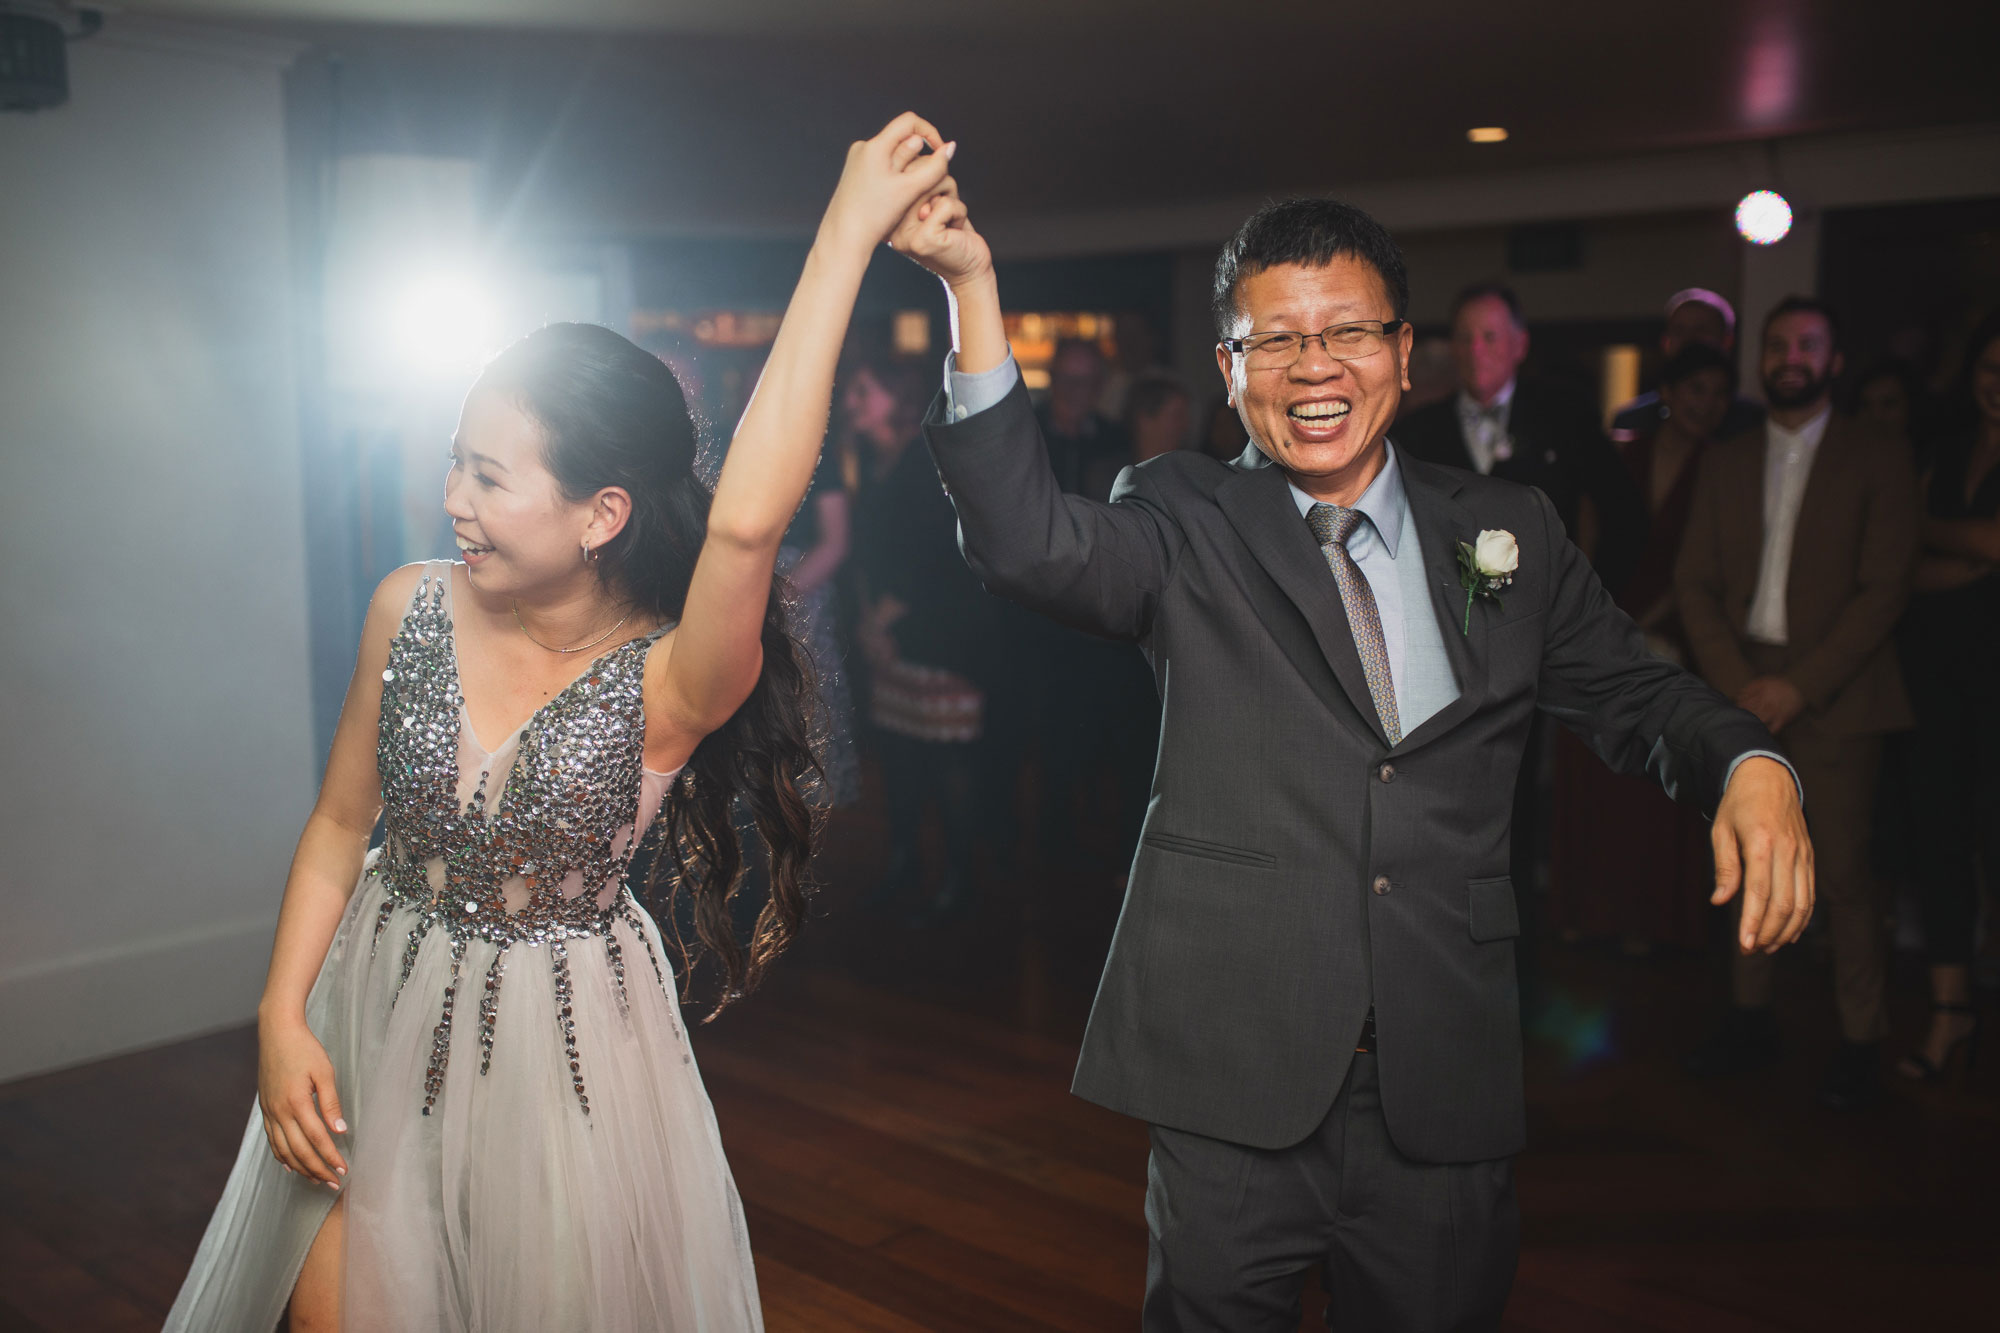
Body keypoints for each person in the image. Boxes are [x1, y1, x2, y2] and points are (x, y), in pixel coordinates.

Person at [898, 185, 1811, 1330]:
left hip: (1440, 1075)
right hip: (1234, 1069)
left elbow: (1633, 690)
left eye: (1344, 333)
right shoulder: (1183, 516)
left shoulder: (1508, 528)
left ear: (1402, 352)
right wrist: (969, 287)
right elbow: (1025, 541)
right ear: (1228, 371)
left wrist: (1746, 763)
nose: (1311, 366)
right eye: (1273, 339)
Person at [165, 112, 958, 1333]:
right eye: (453, 461)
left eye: (490, 474)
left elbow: (746, 520)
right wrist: (280, 1022)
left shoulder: (671, 684)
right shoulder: (406, 606)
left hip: (554, 1056)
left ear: (600, 513)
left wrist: (845, 234)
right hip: (369, 1004)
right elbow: (335, 827)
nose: (452, 499)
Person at [1675, 295, 1920, 1111]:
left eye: (1807, 344)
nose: (1790, 356)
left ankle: (1861, 1038)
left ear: (1834, 359)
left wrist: (1797, 686)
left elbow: (1884, 591)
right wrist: (1737, 682)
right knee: (1744, 860)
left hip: (1836, 692)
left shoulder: (1879, 455)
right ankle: (1751, 1019)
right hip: (1740, 682)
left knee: (1844, 875)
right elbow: (1694, 584)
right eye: (1777, 344)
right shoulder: (1726, 458)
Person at [1393, 283, 1650, 1001]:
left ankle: (1512, 973)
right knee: (1433, 802)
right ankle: (1430, 964)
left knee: (1512, 809)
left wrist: (1578, 613)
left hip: (1528, 656)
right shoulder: (1418, 432)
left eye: (1492, 337)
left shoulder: (1562, 419)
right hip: (1435, 652)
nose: (1478, 351)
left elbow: (1627, 516)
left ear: (1520, 344)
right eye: (1467, 336)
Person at [1550, 343, 1742, 952]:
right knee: (1592, 772)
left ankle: (1650, 921)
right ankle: (1587, 913)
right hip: (1600, 621)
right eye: (1696, 390)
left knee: (1657, 783)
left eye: (1718, 394)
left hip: (1680, 633)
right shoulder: (1624, 457)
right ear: (1668, 392)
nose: (1705, 405)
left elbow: (1705, 570)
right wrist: (1591, 616)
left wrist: (1640, 627)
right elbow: (1586, 528)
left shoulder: (1725, 467)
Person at [848, 353, 995, 924]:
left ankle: (961, 878)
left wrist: (877, 622)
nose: (853, 401)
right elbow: (868, 556)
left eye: (864, 389)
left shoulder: (925, 461)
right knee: (902, 761)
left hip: (938, 636)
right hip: (890, 636)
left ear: (899, 400)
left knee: (949, 763)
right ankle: (904, 863)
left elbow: (933, 559)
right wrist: (868, 620)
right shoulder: (872, 459)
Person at [1894, 310, 2000, 1083]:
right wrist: (1967, 556)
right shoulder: (1945, 450)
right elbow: (1903, 559)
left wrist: (1945, 542)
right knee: (1936, 840)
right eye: (1989, 368)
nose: (1997, 383)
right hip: (1934, 671)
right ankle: (1949, 1013)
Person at [1609, 288, 1766, 441]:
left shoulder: (1754, 423)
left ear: (1727, 341)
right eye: (1679, 330)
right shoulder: (1632, 423)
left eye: (1701, 330)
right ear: (1665, 341)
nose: (1688, 339)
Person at [1126, 368, 1191, 462]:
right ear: (1145, 420)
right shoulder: (1110, 473)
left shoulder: (1190, 471)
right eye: (1177, 416)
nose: (1185, 426)